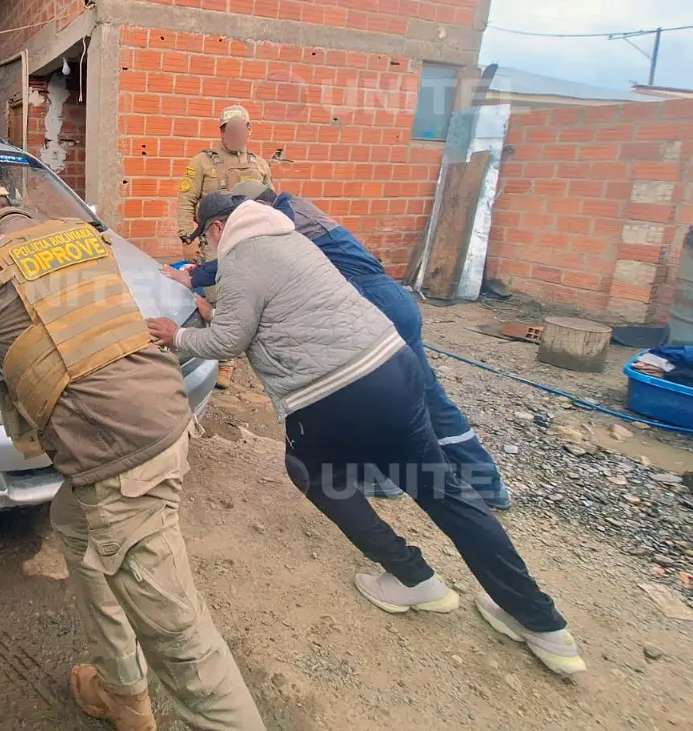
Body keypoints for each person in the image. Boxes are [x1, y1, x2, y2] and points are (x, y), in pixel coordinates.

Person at [147, 192, 585, 676]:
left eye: (204, 240)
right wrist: (215, 316)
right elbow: (266, 316)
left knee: (310, 471)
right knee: (444, 492)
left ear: (214, 229)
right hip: (393, 369)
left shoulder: (239, 255)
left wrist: (176, 334)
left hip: (336, 392)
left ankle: (413, 576)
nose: (207, 251)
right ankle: (542, 624)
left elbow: (229, 341)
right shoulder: (288, 238)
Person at [0, 179, 267, 730]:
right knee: (74, 523)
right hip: (163, 409)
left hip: (120, 454)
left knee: (182, 639)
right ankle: (123, 691)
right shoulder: (79, 236)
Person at [164, 180, 511, 511]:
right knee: (405, 396)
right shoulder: (297, 209)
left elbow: (245, 269)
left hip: (369, 303)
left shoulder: (283, 224)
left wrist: (195, 278)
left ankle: (470, 484)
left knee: (379, 396)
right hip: (388, 299)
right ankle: (469, 481)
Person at [175, 104, 273, 390]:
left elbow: (270, 203)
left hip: (250, 243)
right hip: (213, 242)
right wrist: (187, 238)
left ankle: (229, 358)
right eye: (230, 129)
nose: (235, 134)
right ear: (221, 131)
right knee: (216, 296)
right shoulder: (201, 162)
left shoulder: (260, 164)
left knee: (244, 297)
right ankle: (214, 356)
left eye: (241, 129)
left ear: (249, 130)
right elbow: (186, 201)